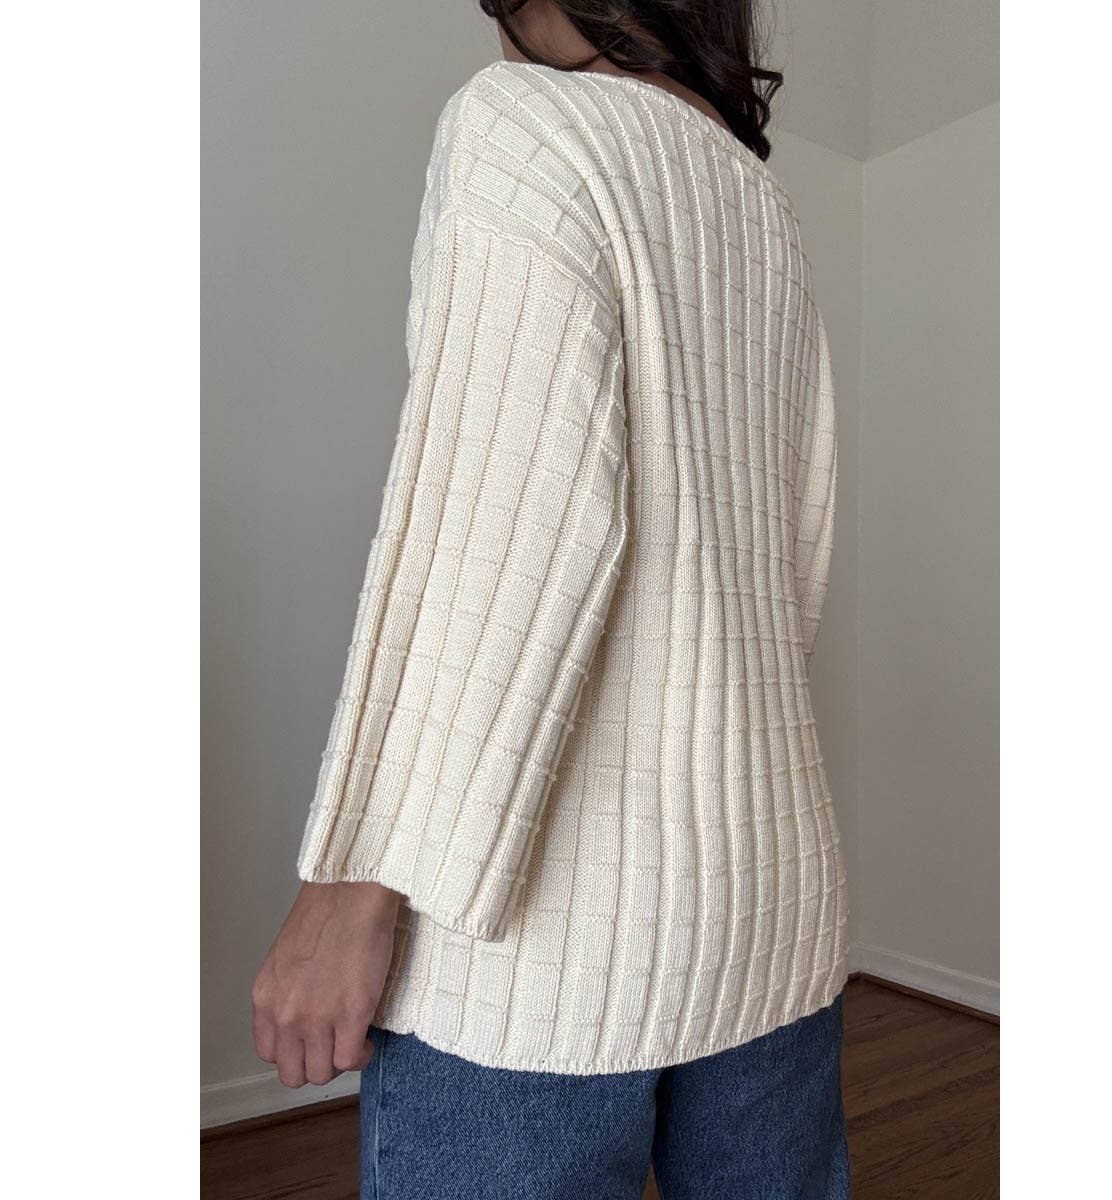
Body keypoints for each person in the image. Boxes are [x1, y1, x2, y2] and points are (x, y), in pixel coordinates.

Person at [252, 2, 850, 1196]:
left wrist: (352, 884)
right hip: (774, 910)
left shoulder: (520, 124)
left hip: (542, 947)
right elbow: (797, 555)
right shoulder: (759, 201)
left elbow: (503, 534)